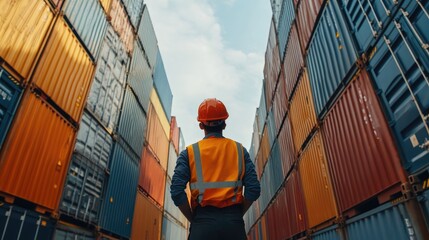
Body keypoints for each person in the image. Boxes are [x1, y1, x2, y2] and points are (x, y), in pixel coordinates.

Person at [170, 98, 261, 240]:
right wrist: (237, 215)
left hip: (202, 224)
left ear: (201, 125)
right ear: (224, 124)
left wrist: (193, 220)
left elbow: (176, 191)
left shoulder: (189, 153)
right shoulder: (239, 151)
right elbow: (254, 189)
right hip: (233, 224)